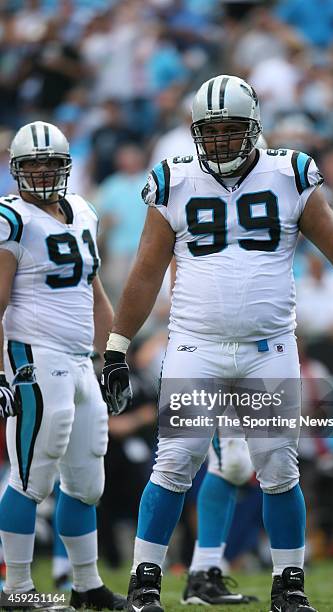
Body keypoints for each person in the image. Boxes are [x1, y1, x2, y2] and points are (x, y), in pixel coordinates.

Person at [101, 75, 333, 612]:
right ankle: (144, 583)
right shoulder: (174, 180)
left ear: (255, 128)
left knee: (278, 468)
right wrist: (116, 347)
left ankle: (289, 585)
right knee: (174, 463)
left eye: (231, 130)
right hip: (196, 346)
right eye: (210, 131)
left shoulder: (289, 173)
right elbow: (146, 273)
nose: (220, 141)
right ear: (195, 132)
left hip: (270, 348)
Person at [0, 121, 126, 610]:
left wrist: (112, 354)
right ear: (16, 169)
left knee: (87, 481)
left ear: (66, 165)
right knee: (33, 476)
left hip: (78, 360)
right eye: (31, 164)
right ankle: (16, 590)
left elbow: (93, 292)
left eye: (50, 163)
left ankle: (86, 585)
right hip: (33, 353)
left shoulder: (85, 213)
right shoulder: (12, 219)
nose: (41, 173)